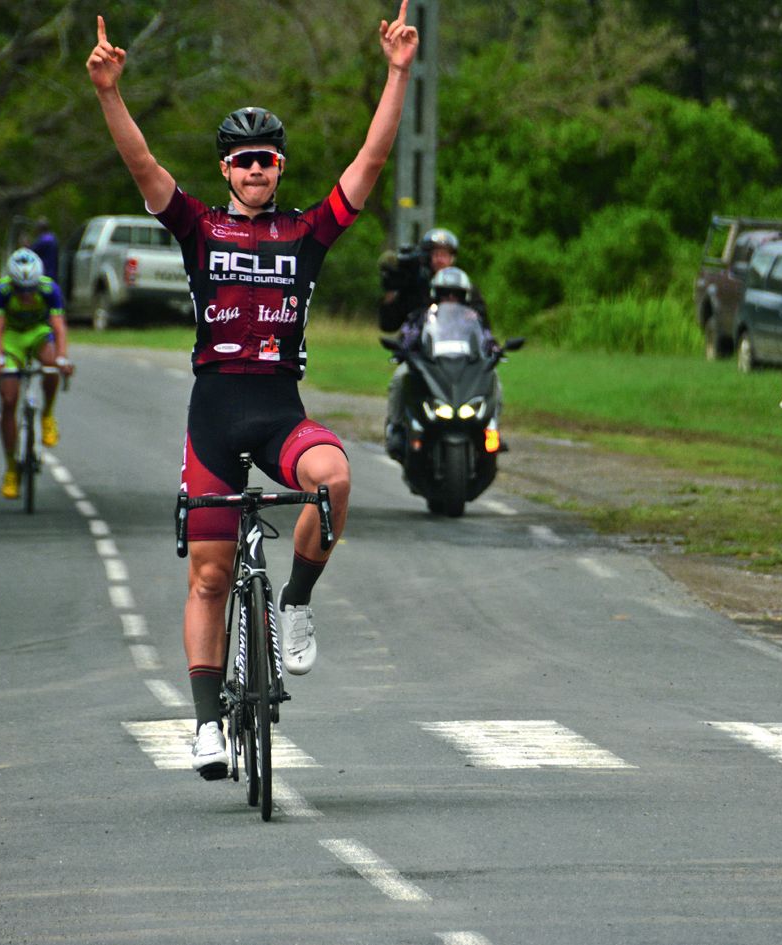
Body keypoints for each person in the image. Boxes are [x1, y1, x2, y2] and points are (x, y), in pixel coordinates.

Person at [86, 6, 418, 779]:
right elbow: (142, 168)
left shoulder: (305, 232)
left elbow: (369, 164)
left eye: (267, 159)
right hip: (214, 414)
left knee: (333, 478)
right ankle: (205, 724)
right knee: (208, 572)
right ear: (226, 170)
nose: (256, 170)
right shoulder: (198, 227)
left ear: (279, 168)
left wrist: (398, 71)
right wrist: (109, 94)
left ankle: (294, 600)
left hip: (277, 411)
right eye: (242, 161)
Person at [384, 266, 501, 457]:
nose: (450, 299)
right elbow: (407, 336)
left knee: (493, 377)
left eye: (456, 294)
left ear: (465, 297)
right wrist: (402, 349)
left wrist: (495, 350)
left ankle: (492, 427)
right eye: (445, 294)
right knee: (400, 376)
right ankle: (395, 429)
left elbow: (486, 339)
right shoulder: (423, 316)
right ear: (435, 294)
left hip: (465, 367)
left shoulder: (473, 319)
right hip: (429, 367)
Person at [0, 247, 73, 499]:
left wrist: (62, 358)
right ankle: (11, 468)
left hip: (37, 333)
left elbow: (58, 328)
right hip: (13, 339)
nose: (26, 296)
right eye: (20, 290)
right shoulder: (1, 290)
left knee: (50, 365)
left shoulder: (49, 289)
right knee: (8, 399)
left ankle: (47, 414)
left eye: (30, 289)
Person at [378, 227, 487, 331]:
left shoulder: (464, 287)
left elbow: (482, 326)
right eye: (435, 254)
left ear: (452, 258)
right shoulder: (416, 288)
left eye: (444, 255)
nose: (439, 260)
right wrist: (391, 289)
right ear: (427, 257)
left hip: (457, 346)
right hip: (423, 347)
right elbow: (388, 325)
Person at [30, 217, 61, 285]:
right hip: (53, 271)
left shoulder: (43, 240)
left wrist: (26, 246)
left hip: (44, 272)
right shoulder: (53, 238)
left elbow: (31, 252)